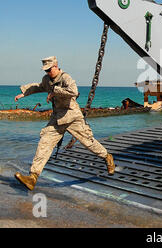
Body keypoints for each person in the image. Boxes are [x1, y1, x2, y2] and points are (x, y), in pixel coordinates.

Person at [14, 56, 115, 191]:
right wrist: (24, 93)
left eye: (49, 70)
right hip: (57, 119)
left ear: (56, 66)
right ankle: (33, 177)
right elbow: (39, 86)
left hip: (72, 117)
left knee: (88, 142)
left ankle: (107, 156)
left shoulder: (65, 77)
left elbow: (74, 91)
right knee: (44, 143)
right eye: (45, 71)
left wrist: (55, 92)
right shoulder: (47, 79)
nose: (48, 72)